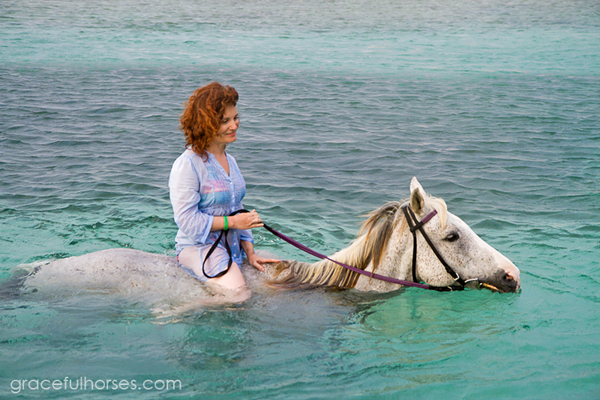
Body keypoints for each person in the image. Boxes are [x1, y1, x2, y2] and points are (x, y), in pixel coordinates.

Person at [169, 82, 278, 300]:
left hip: (233, 247)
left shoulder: (232, 161)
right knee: (240, 296)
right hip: (198, 247)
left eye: (235, 118)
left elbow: (237, 210)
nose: (234, 125)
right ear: (206, 124)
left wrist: (250, 252)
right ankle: (183, 308)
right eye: (224, 121)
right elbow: (187, 221)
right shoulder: (188, 164)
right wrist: (233, 223)